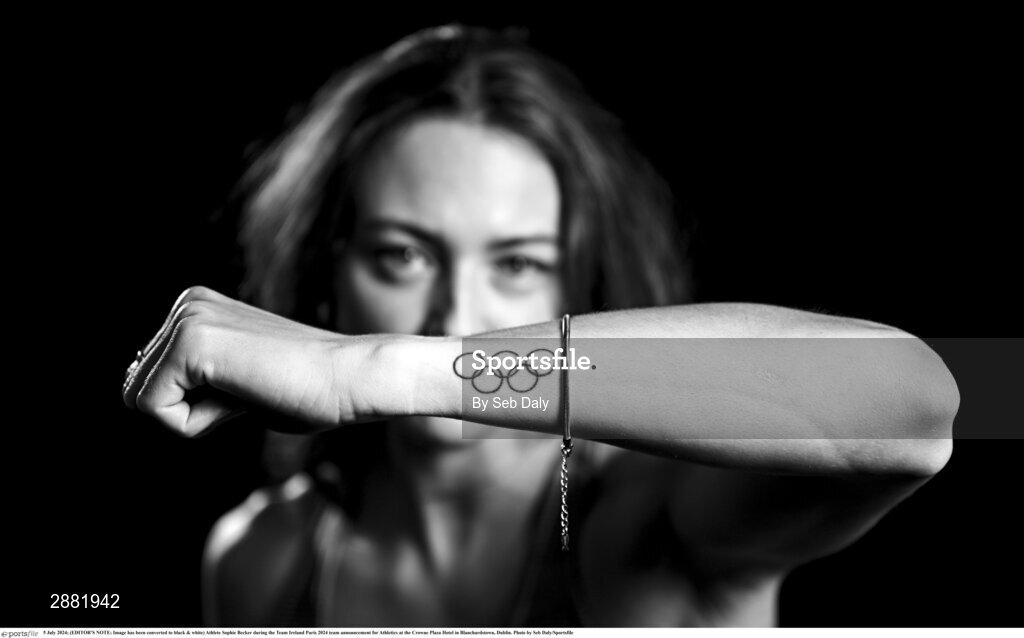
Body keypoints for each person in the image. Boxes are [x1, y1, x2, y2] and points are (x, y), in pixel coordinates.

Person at [121, 24, 959, 627]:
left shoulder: (642, 521)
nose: (455, 316)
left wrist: (381, 370)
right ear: (326, 277)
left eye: (516, 265)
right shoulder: (261, 557)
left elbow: (912, 403)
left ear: (575, 289)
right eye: (402, 257)